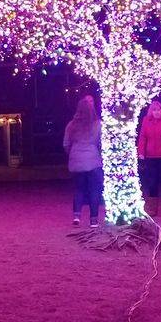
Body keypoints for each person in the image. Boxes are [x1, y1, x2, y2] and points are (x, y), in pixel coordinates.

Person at [63, 95, 102, 228]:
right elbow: (100, 143)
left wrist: (72, 154)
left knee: (79, 189)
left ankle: (77, 216)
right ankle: (94, 220)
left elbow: (66, 143)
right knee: (94, 190)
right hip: (93, 160)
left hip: (76, 160)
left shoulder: (71, 125)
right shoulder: (97, 124)